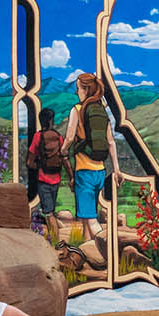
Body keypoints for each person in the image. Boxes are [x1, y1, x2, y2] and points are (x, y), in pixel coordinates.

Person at [63, 73, 114, 243]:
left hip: (84, 172)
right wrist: (117, 170)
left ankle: (110, 250)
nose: (77, 92)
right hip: (99, 171)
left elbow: (70, 137)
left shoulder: (77, 110)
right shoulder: (101, 111)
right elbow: (111, 142)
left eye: (78, 89)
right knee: (87, 218)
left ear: (85, 90)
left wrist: (63, 150)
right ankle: (86, 251)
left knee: (91, 220)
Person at [24, 107, 65, 229]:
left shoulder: (38, 137)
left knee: (48, 214)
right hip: (56, 179)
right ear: (51, 121)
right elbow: (64, 158)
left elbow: (29, 162)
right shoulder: (58, 137)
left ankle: (55, 242)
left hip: (43, 179)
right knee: (50, 210)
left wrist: (40, 165)